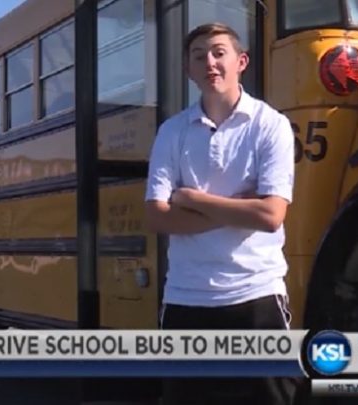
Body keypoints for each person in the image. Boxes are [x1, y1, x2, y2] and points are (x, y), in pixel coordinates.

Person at [144, 22, 296, 404]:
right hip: (186, 299)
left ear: (241, 61)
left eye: (218, 53)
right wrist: (242, 208)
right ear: (188, 70)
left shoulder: (271, 125)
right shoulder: (171, 132)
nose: (209, 63)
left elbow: (271, 216)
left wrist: (192, 198)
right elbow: (156, 217)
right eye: (199, 56)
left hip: (256, 294)